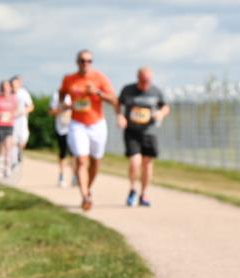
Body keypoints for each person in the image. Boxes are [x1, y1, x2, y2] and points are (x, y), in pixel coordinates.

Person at [59, 49, 117, 211]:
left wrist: (97, 92)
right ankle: (84, 195)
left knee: (95, 161)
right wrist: (64, 104)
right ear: (77, 62)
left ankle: (88, 189)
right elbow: (62, 93)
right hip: (77, 123)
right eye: (82, 60)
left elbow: (113, 99)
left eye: (89, 61)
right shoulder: (69, 79)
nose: (85, 63)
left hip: (97, 123)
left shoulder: (99, 78)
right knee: (82, 160)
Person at [117, 67, 169, 207]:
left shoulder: (156, 91)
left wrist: (160, 114)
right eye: (143, 80)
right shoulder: (127, 90)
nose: (146, 83)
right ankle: (133, 189)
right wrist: (120, 116)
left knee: (147, 164)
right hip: (132, 131)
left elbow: (165, 107)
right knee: (135, 162)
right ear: (138, 78)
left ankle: (144, 193)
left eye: (148, 80)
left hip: (149, 132)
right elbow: (118, 104)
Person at [0, 80, 18, 178]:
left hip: (9, 125)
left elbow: (16, 109)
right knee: (0, 145)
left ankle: (7, 168)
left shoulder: (14, 98)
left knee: (8, 146)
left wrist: (12, 114)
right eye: (3, 87)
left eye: (7, 87)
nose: (5, 89)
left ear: (10, 88)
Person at [48, 91, 75, 187]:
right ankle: (61, 176)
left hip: (73, 128)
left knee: (74, 154)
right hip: (61, 129)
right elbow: (51, 112)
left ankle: (74, 177)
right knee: (62, 153)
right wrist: (63, 108)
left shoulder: (74, 94)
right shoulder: (56, 95)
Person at [11, 75, 34, 166]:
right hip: (11, 121)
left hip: (22, 120)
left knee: (23, 140)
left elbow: (31, 106)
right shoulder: (9, 93)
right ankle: (13, 161)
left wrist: (22, 112)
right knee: (13, 140)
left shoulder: (24, 93)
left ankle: (20, 152)